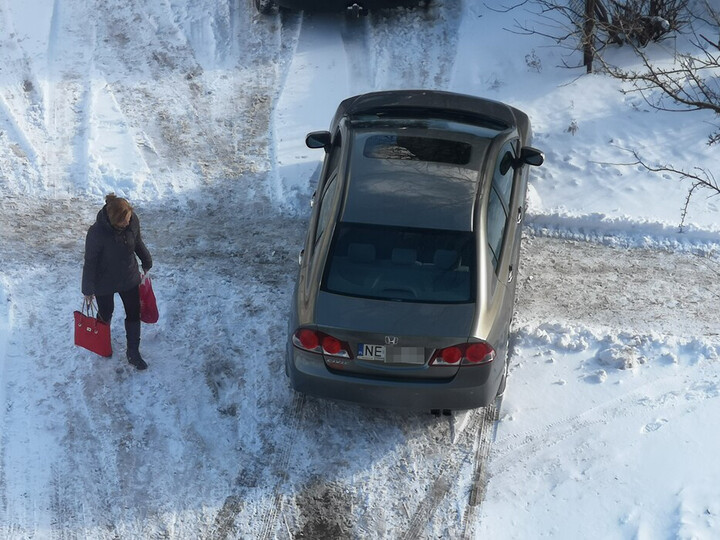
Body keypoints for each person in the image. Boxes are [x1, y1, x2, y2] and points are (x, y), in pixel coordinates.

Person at [82, 194, 153, 370]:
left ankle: (133, 352)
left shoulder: (132, 219)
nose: (128, 223)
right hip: (103, 281)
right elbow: (90, 261)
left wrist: (146, 261)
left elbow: (137, 241)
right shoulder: (96, 233)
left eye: (129, 219)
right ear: (114, 221)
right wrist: (88, 290)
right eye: (124, 222)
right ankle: (102, 345)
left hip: (128, 276)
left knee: (133, 311)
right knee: (106, 312)